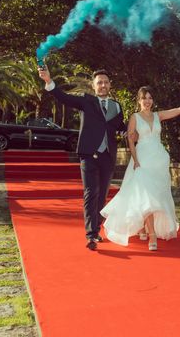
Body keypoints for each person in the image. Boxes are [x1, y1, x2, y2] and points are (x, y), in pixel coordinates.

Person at [101, 86, 180, 251]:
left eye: (150, 98)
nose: (147, 101)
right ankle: (152, 234)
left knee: (155, 196)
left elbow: (179, 110)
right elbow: (131, 141)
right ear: (139, 100)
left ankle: (145, 227)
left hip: (159, 160)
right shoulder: (135, 117)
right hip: (143, 160)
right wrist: (136, 160)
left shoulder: (158, 115)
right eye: (144, 98)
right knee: (147, 197)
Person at [38, 66, 126, 251]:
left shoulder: (117, 106)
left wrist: (135, 130)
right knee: (90, 192)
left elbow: (120, 128)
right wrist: (49, 81)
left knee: (102, 195)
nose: (103, 85)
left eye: (106, 82)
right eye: (99, 82)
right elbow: (64, 97)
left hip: (108, 155)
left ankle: (96, 228)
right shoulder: (86, 101)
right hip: (88, 154)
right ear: (94, 86)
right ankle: (91, 235)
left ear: (110, 85)